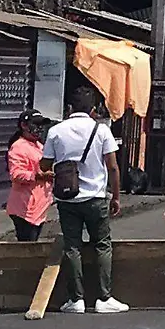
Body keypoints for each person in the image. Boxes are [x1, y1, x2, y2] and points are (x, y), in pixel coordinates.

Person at [40, 86, 128, 314]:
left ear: (68, 108)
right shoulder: (102, 131)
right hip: (96, 198)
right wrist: (116, 196)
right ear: (93, 110)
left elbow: (44, 165)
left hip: (68, 199)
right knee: (102, 244)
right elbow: (113, 167)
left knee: (72, 246)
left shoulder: (56, 131)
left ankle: (76, 299)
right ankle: (104, 297)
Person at [6, 109, 54, 242]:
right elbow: (16, 174)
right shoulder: (18, 147)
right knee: (27, 248)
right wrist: (38, 176)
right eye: (36, 124)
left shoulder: (39, 145)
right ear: (24, 125)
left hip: (39, 207)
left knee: (32, 245)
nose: (39, 128)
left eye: (41, 125)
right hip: (25, 208)